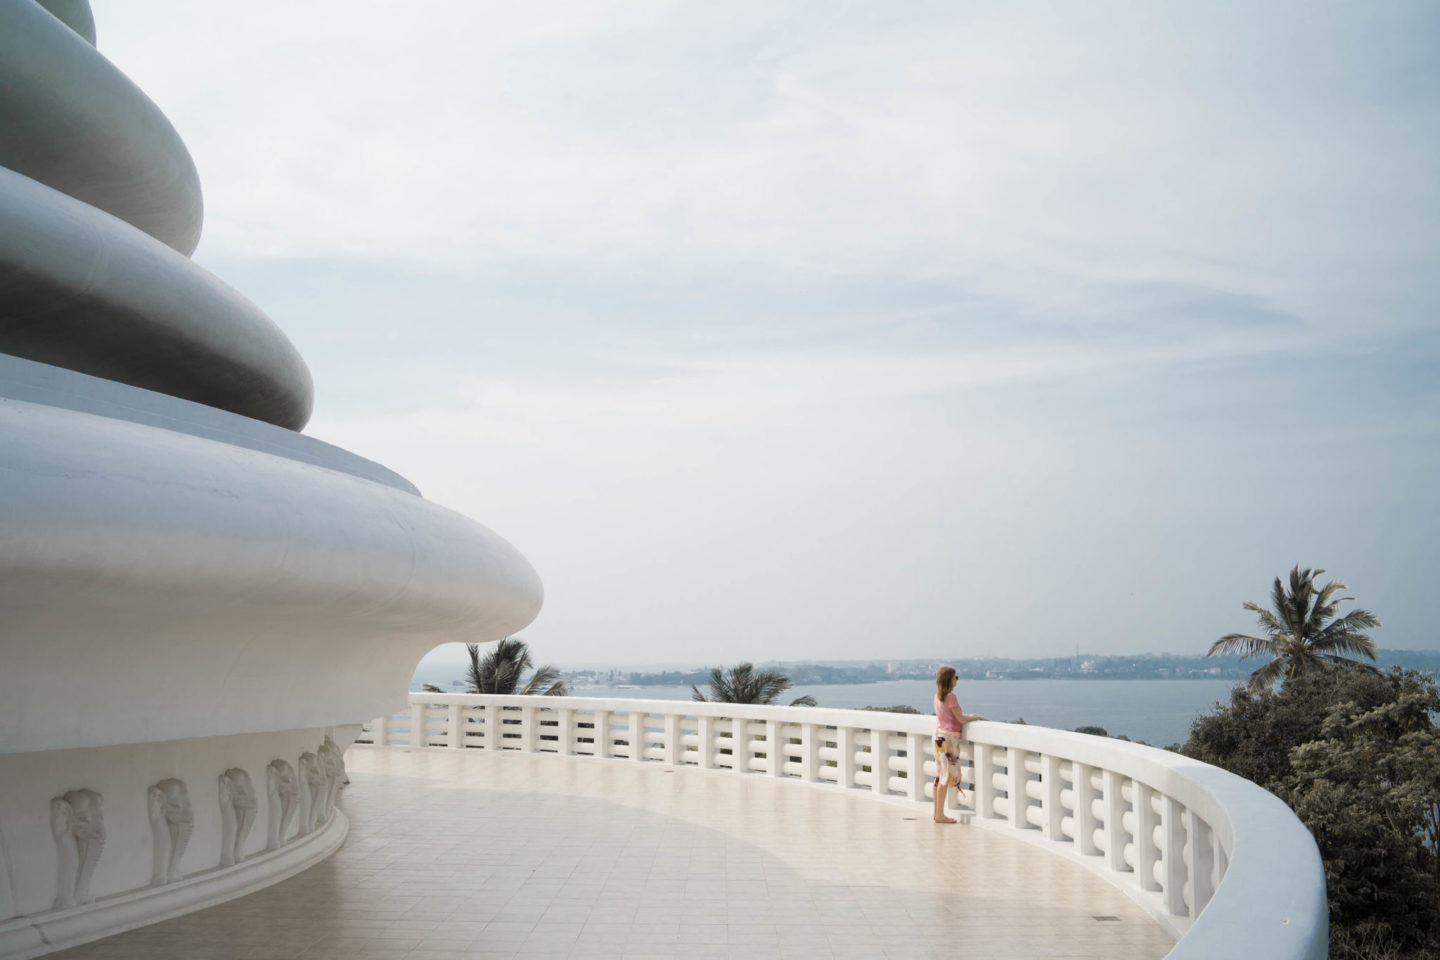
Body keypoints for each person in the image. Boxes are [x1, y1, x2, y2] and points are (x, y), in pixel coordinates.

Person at [933, 665, 986, 823]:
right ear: (950, 679)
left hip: (938, 737)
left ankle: (937, 813)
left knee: (940, 775)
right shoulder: (951, 697)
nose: (957, 680)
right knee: (945, 776)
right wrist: (975, 717)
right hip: (949, 740)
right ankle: (940, 815)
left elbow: (953, 717)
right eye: (956, 677)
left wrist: (966, 716)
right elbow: (961, 720)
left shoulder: (937, 696)